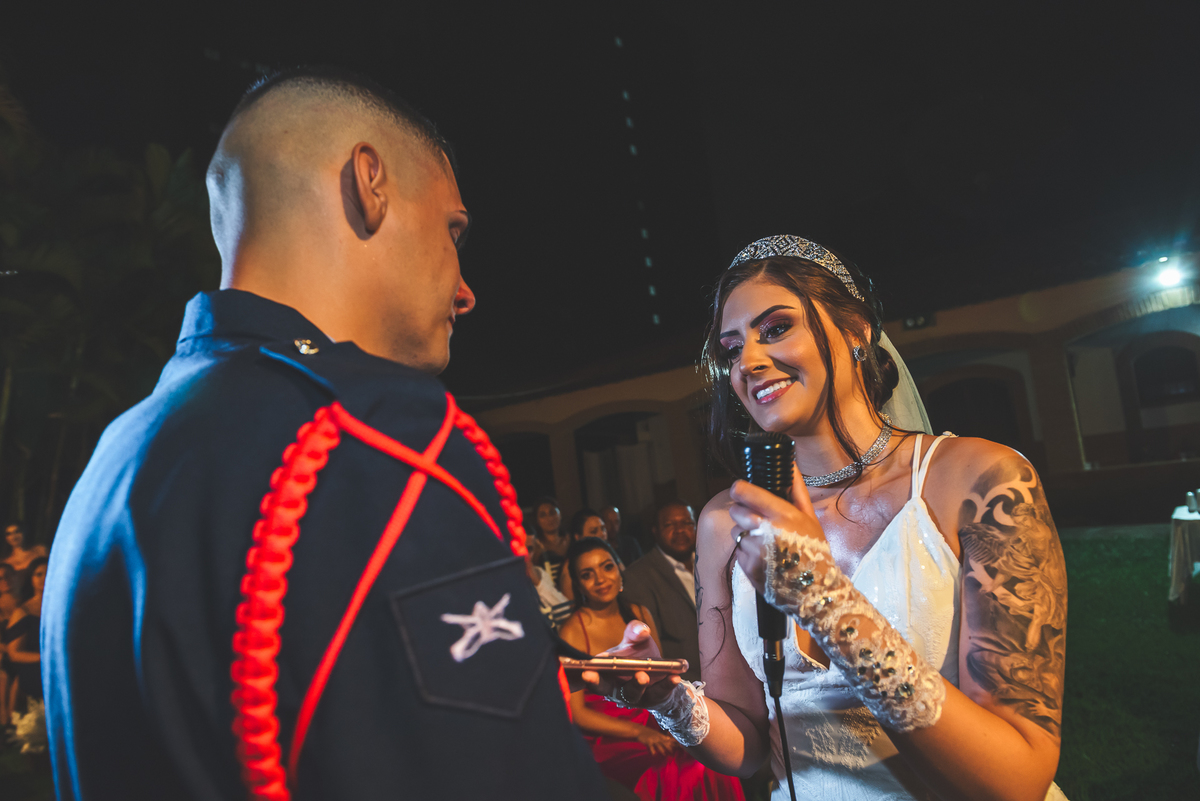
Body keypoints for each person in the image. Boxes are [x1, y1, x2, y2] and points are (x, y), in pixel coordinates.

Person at [42, 67, 608, 801]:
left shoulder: (114, 461)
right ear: (369, 182)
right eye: (451, 229)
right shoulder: (379, 438)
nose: (465, 287)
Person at [593, 236, 1069, 801]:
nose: (747, 361)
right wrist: (668, 698)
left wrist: (822, 598)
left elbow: (1017, 777)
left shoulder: (981, 482)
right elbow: (747, 745)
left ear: (856, 330)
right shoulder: (725, 519)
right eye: (731, 348)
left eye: (775, 329)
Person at [559, 538, 744, 801]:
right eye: (587, 575)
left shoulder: (639, 613)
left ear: (619, 569)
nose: (600, 579)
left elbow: (658, 678)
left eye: (606, 567)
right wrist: (639, 733)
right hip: (609, 737)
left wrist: (663, 722)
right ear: (578, 586)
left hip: (650, 715)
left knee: (710, 761)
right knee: (670, 771)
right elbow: (577, 713)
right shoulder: (572, 631)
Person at [621, 502, 703, 683]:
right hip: (685, 684)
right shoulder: (638, 577)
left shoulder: (709, 561)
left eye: (687, 523)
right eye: (669, 525)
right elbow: (652, 654)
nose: (680, 530)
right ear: (655, 531)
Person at [6, 556, 44, 713]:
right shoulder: (23, 611)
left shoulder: (65, 608)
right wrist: (44, 658)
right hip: (34, 674)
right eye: (39, 574)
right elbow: (14, 653)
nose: (44, 578)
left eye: (48, 573)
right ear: (31, 578)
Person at [3, 524, 46, 600]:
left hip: (44, 593)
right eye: (9, 534)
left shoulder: (40, 550)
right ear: (6, 538)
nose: (14, 536)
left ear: (24, 532)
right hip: (21, 599)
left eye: (17, 531)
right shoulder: (6, 562)